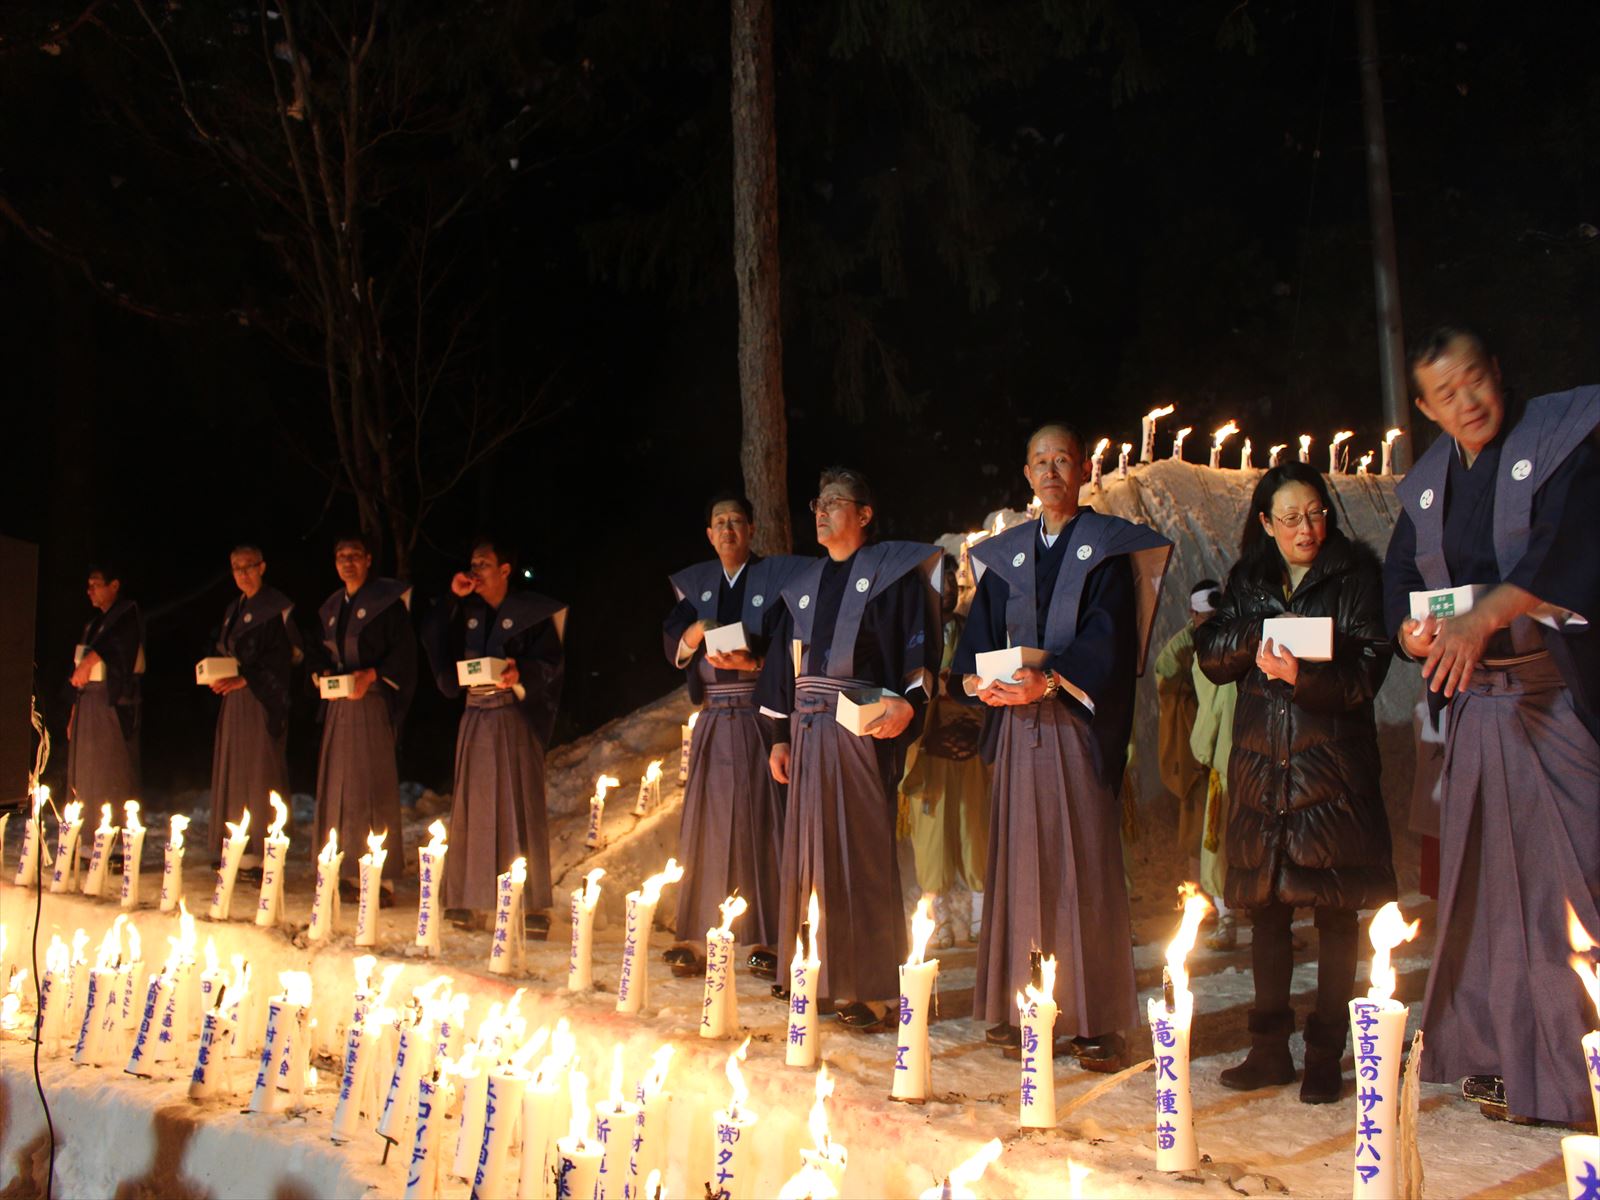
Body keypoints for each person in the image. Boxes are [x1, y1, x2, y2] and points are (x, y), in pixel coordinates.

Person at [1384, 324, 1599, 1125]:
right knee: (1491, 898)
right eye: (1447, 393)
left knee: (1574, 882)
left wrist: (1493, 614)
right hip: (1477, 713)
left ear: (1498, 373)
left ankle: (1584, 1068)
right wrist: (1414, 632)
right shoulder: (1429, 483)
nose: (1468, 401)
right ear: (1425, 409)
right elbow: (1405, 579)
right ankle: (1513, 1058)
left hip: (1555, 702)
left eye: (1476, 380)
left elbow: (1571, 549)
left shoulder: (1558, 438)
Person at [951, 424, 1172, 1070]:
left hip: (1073, 726)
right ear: (1026, 474)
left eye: (1063, 461)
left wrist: (1048, 680)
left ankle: (1095, 1019)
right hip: (1018, 735)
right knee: (1021, 869)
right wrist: (975, 681)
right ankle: (1026, 1003)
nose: (1051, 472)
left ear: (1083, 471)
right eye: (1040, 462)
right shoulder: (1007, 555)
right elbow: (977, 641)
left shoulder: (1103, 550)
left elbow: (1109, 640)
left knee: (1084, 871)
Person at [1195, 461, 1395, 1104]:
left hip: (1332, 770)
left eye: (1314, 513)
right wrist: (1257, 633)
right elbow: (1212, 655)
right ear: (1265, 523)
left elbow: (1368, 672)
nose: (1306, 527)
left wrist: (1299, 678)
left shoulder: (1356, 576)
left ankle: (1323, 1054)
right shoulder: (1250, 580)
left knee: (1337, 916)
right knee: (1268, 912)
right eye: (1290, 518)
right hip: (1263, 769)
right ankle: (1268, 1050)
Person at [755, 467, 942, 1031]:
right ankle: (808, 973)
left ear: (864, 515)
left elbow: (918, 650)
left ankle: (869, 989)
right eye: (819, 501)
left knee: (858, 852)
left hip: (860, 728)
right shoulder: (803, 586)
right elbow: (780, 672)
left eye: (837, 502)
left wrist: (910, 703)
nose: (822, 510)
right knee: (808, 852)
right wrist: (779, 735)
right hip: (807, 732)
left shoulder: (894, 576)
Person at [661, 494, 807, 976]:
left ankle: (768, 938)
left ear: (750, 530)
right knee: (706, 826)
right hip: (714, 719)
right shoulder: (695, 585)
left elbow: (792, 642)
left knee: (762, 824)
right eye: (718, 523)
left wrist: (757, 661)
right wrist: (696, 634)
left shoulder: (776, 579)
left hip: (758, 713)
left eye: (736, 522)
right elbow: (675, 646)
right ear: (709, 534)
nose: (727, 530)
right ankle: (695, 934)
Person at [422, 536, 565, 933]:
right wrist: (451, 598)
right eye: (472, 564)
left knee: (521, 802)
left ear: (505, 569)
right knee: (474, 806)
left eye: (483, 564)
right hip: (475, 712)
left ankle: (533, 903)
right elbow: (432, 635)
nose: (475, 572)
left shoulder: (532, 612)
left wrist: (523, 674)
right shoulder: (464, 609)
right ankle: (470, 897)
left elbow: (552, 663)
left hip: (514, 713)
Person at [312, 534, 416, 901]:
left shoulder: (387, 603)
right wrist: (320, 674)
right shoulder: (330, 608)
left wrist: (371, 676)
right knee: (340, 786)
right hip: (340, 706)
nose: (347, 562)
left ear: (368, 560)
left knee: (371, 785)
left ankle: (379, 878)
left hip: (371, 702)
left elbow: (404, 655)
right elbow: (321, 655)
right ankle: (340, 868)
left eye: (354, 555)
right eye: (341, 556)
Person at [898, 553, 990, 948]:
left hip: (969, 750)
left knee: (975, 835)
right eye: (942, 583)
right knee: (933, 843)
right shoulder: (913, 637)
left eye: (955, 582)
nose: (949, 589)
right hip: (929, 754)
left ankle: (979, 921)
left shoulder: (976, 632)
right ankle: (932, 925)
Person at [206, 545, 300, 872]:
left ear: (262, 567)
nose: (242, 573)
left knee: (261, 769)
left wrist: (246, 678)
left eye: (248, 567)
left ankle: (264, 850)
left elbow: (285, 655)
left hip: (263, 697)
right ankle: (238, 846)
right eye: (236, 568)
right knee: (235, 767)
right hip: (234, 699)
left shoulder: (276, 607)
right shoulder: (234, 608)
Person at [1153, 580, 1221, 890]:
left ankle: (1228, 904)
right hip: (1197, 754)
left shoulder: (1228, 638)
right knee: (1197, 828)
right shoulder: (1182, 650)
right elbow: (1164, 673)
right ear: (1192, 614)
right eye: (1204, 618)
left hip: (1228, 748)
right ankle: (1200, 897)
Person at [66, 562, 145, 816]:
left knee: (111, 768)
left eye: (96, 585)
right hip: (88, 702)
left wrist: (90, 661)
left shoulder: (126, 612)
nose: (90, 591)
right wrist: (73, 714)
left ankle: (116, 838)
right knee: (87, 769)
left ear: (114, 586)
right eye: (88, 586)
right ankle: (88, 836)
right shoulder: (93, 625)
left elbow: (119, 645)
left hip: (113, 700)